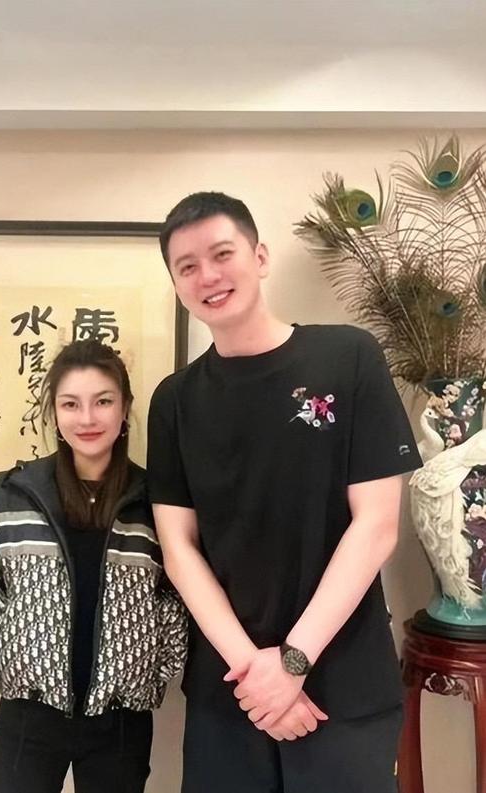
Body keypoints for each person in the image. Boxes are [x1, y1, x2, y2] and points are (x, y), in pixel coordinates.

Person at [147, 191, 422, 793]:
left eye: (222, 254)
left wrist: (293, 662)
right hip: (232, 691)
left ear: (260, 257)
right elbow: (178, 549)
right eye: (187, 266)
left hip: (342, 683)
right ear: (176, 283)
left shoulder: (348, 357)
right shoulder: (175, 401)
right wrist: (257, 675)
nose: (207, 276)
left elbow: (376, 526)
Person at [0, 339, 187, 793]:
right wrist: (8, 642)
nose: (87, 418)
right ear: (53, 412)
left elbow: (181, 590)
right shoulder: (11, 493)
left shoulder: (154, 502)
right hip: (29, 715)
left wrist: (151, 659)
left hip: (121, 720)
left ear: (125, 408)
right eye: (71, 404)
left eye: (103, 401)